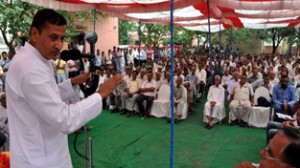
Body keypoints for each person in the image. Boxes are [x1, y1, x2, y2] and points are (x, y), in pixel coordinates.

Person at [6, 9, 122, 168]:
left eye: (62, 38)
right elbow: (65, 119)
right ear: (34, 33)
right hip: (38, 160)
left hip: (43, 153)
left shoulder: (38, 58)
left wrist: (72, 81)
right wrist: (101, 94)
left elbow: (46, 96)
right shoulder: (30, 68)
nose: (59, 45)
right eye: (53, 37)